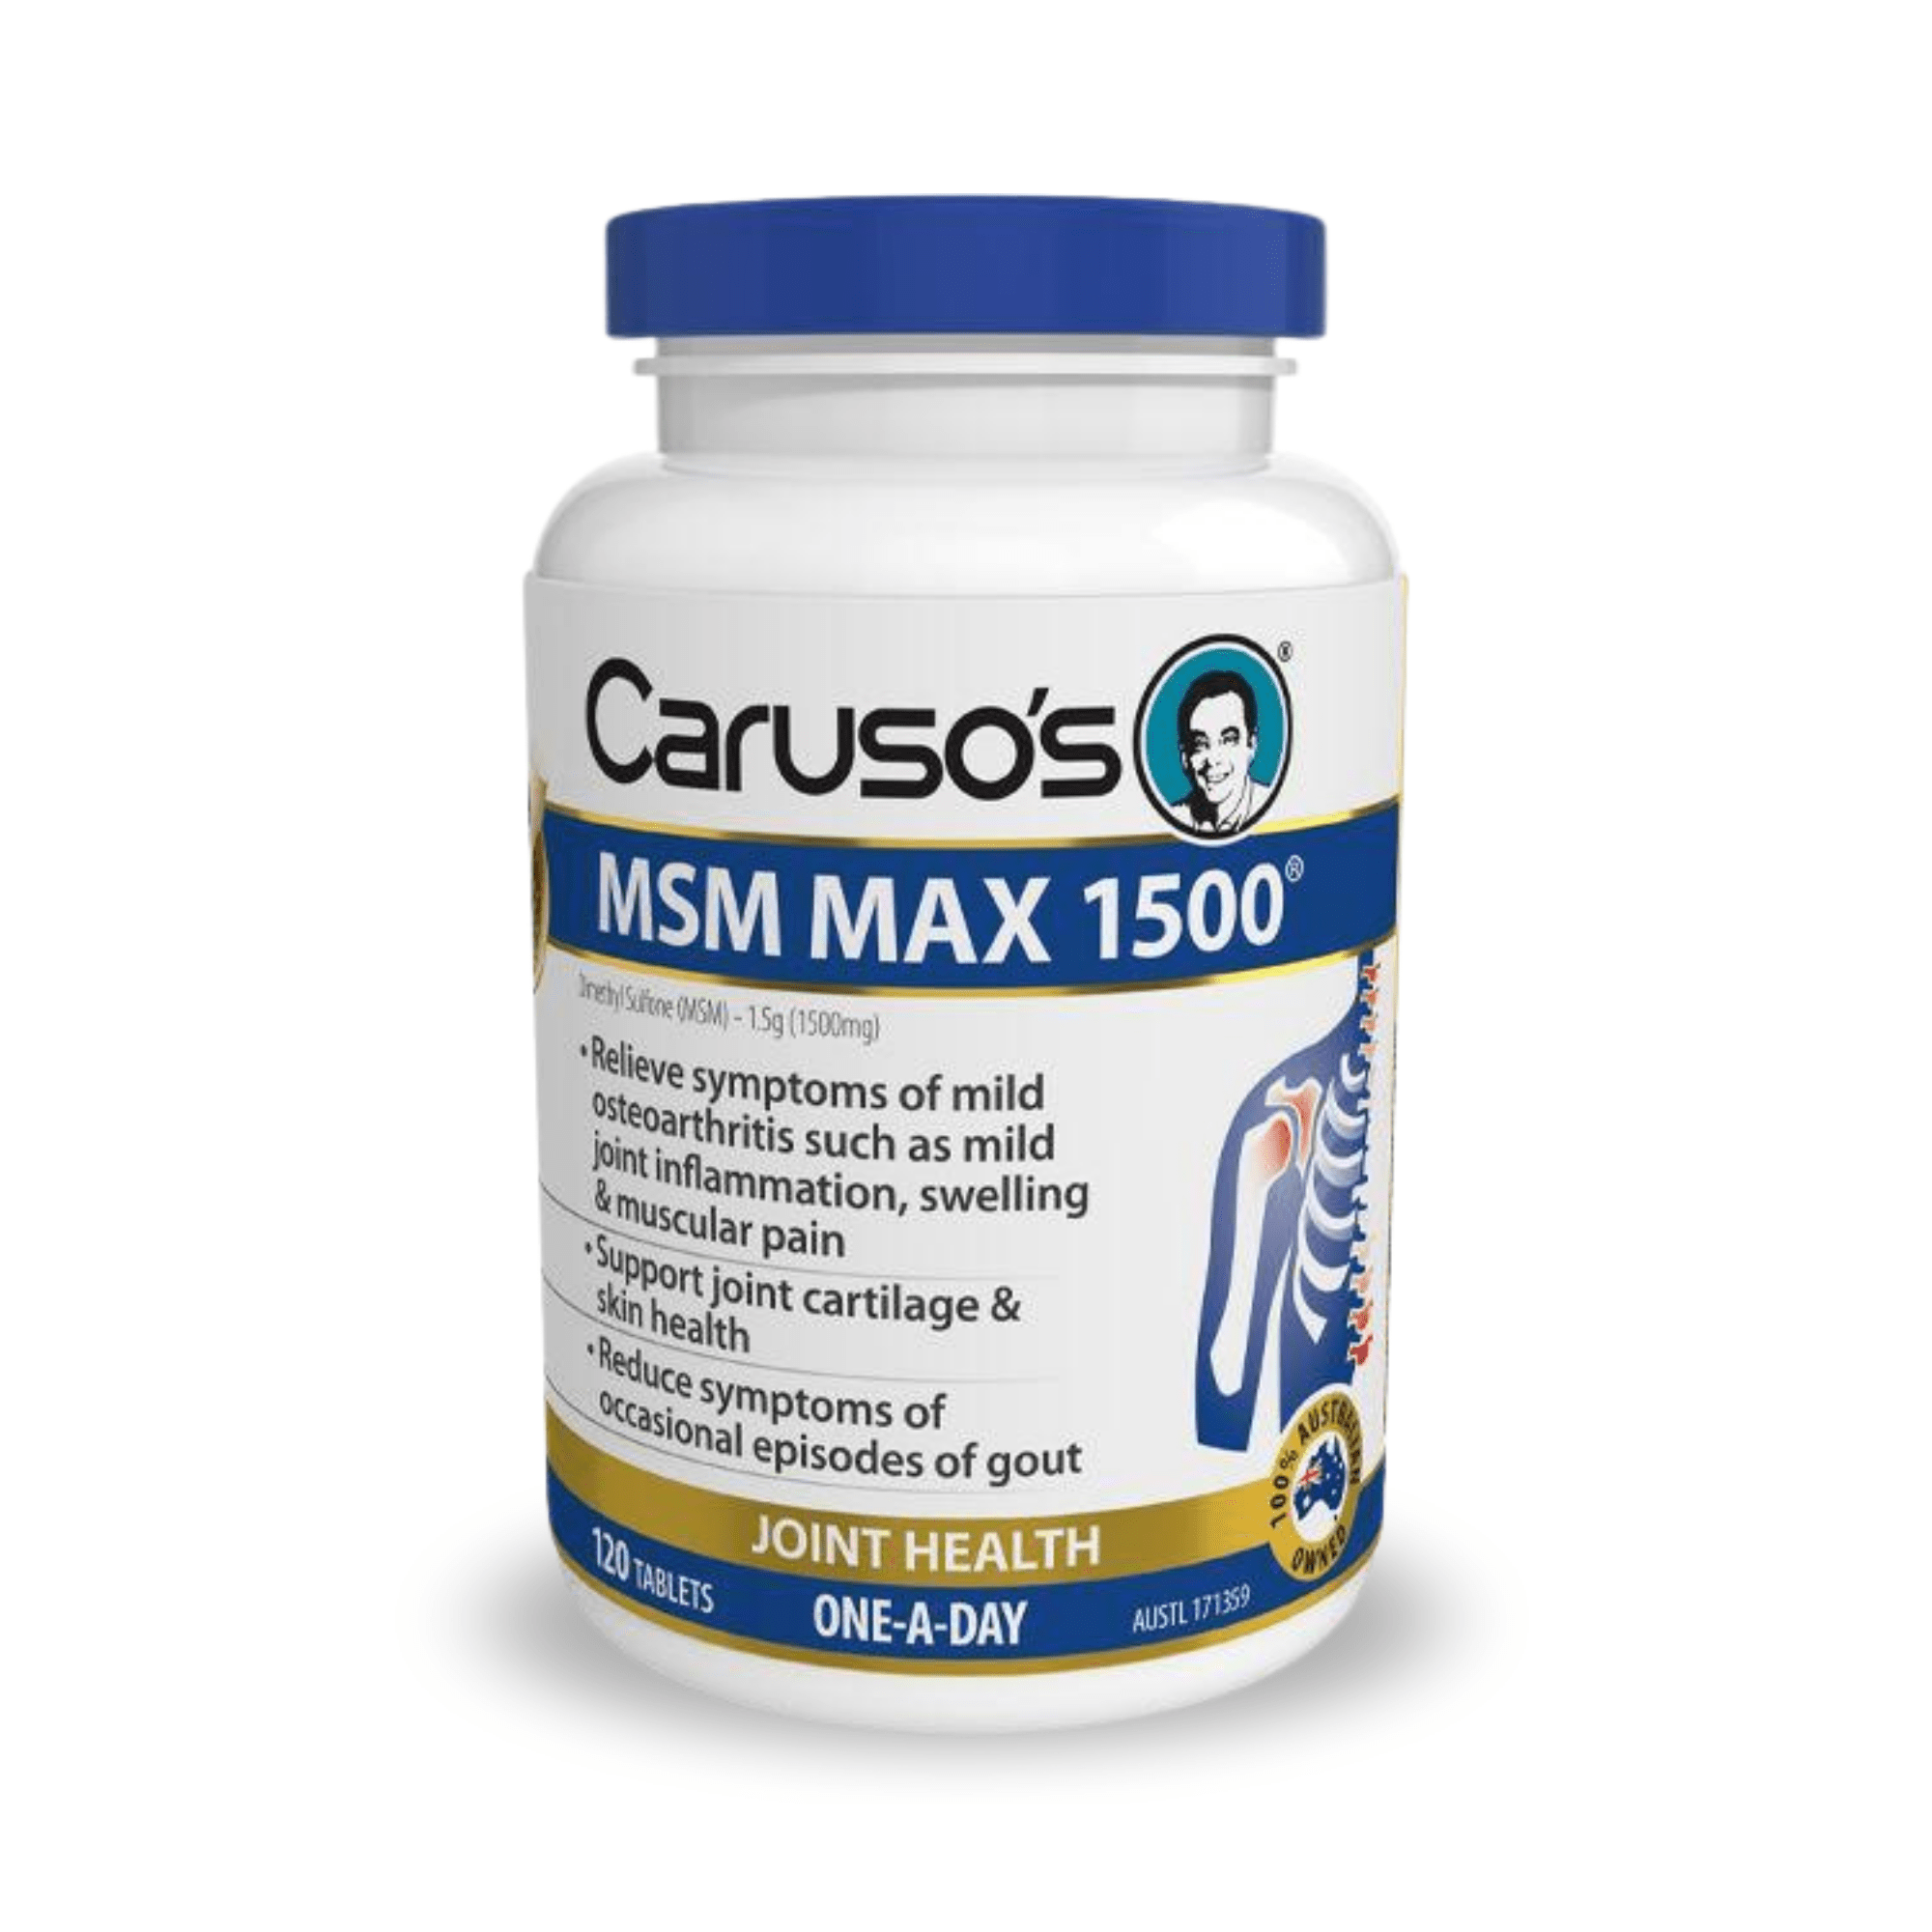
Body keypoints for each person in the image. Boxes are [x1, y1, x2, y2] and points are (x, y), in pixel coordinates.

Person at [1172, 668, 1264, 834]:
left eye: (1228, 740)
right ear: (1185, 757)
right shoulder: (1172, 818)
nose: (1213, 760)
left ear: (1251, 744)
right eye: (1200, 744)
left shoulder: (1279, 807)